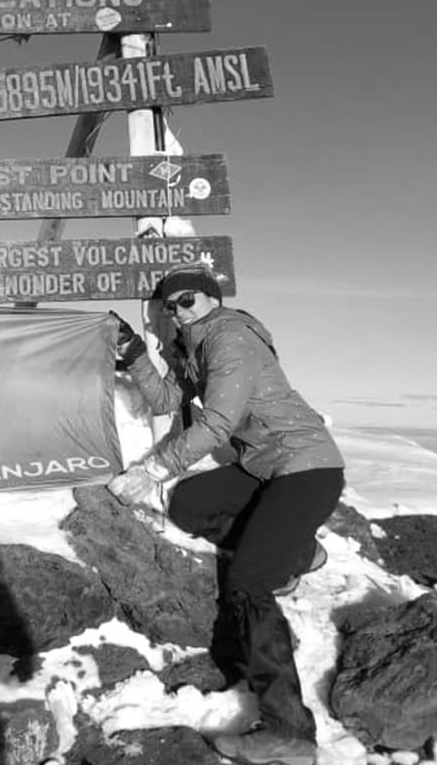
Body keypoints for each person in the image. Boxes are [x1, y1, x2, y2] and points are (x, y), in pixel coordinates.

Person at [108, 263, 344, 765]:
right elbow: (168, 399)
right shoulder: (195, 347)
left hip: (304, 467)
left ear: (211, 298)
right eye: (169, 306)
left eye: (187, 300)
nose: (177, 311)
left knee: (249, 582)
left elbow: (216, 423)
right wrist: (135, 356)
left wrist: (153, 470)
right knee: (191, 504)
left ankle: (290, 732)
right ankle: (299, 550)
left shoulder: (229, 338)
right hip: (265, 468)